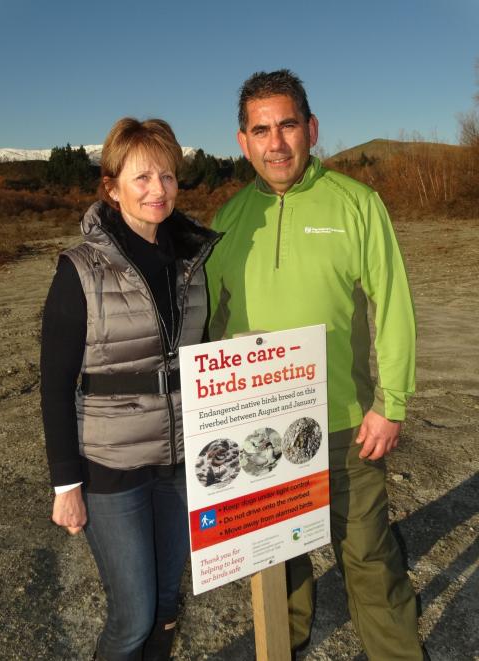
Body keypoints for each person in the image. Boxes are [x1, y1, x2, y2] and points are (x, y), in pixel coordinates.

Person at [205, 70, 424, 660]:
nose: (276, 143)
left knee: (369, 555)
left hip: (348, 426)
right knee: (277, 557)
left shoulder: (357, 203)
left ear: (312, 129)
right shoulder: (226, 222)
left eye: (288, 125)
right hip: (262, 433)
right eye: (261, 130)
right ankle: (287, 643)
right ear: (242, 141)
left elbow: (393, 304)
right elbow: (209, 327)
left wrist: (392, 403)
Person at [41, 117, 219, 661]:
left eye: (167, 175)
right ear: (112, 186)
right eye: (141, 177)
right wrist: (65, 486)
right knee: (133, 615)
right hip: (110, 466)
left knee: (166, 605)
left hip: (180, 460)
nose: (157, 190)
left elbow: (203, 357)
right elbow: (53, 383)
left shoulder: (192, 262)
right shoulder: (80, 269)